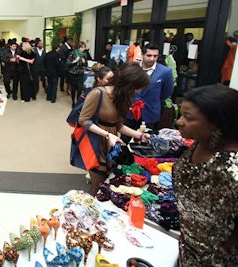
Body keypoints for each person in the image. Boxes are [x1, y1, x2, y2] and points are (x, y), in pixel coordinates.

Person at [172, 84, 238, 266]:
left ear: (217, 123)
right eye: (181, 114)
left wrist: (221, 247)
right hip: (187, 249)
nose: (179, 121)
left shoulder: (232, 169)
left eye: (189, 117)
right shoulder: (200, 143)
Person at [78, 62, 151, 196]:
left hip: (111, 144)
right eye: (137, 87)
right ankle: (88, 211)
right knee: (98, 185)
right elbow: (83, 120)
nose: (139, 91)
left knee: (106, 183)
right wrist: (107, 135)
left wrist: (139, 135)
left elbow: (118, 125)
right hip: (96, 144)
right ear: (129, 84)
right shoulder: (98, 93)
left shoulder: (120, 97)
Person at [122, 43, 174, 141]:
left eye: (155, 56)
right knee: (125, 139)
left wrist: (154, 100)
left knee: (146, 141)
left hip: (150, 111)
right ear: (142, 54)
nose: (152, 59)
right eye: (149, 55)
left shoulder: (165, 72)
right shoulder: (132, 68)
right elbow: (124, 87)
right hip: (130, 111)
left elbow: (167, 92)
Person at [66, 41, 88, 107]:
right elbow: (67, 63)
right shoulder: (73, 53)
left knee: (79, 89)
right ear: (78, 47)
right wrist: (75, 61)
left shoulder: (84, 54)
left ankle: (78, 102)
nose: (83, 49)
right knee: (73, 89)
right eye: (82, 47)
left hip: (80, 73)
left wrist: (84, 62)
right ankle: (73, 101)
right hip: (73, 73)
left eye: (84, 47)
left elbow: (86, 65)